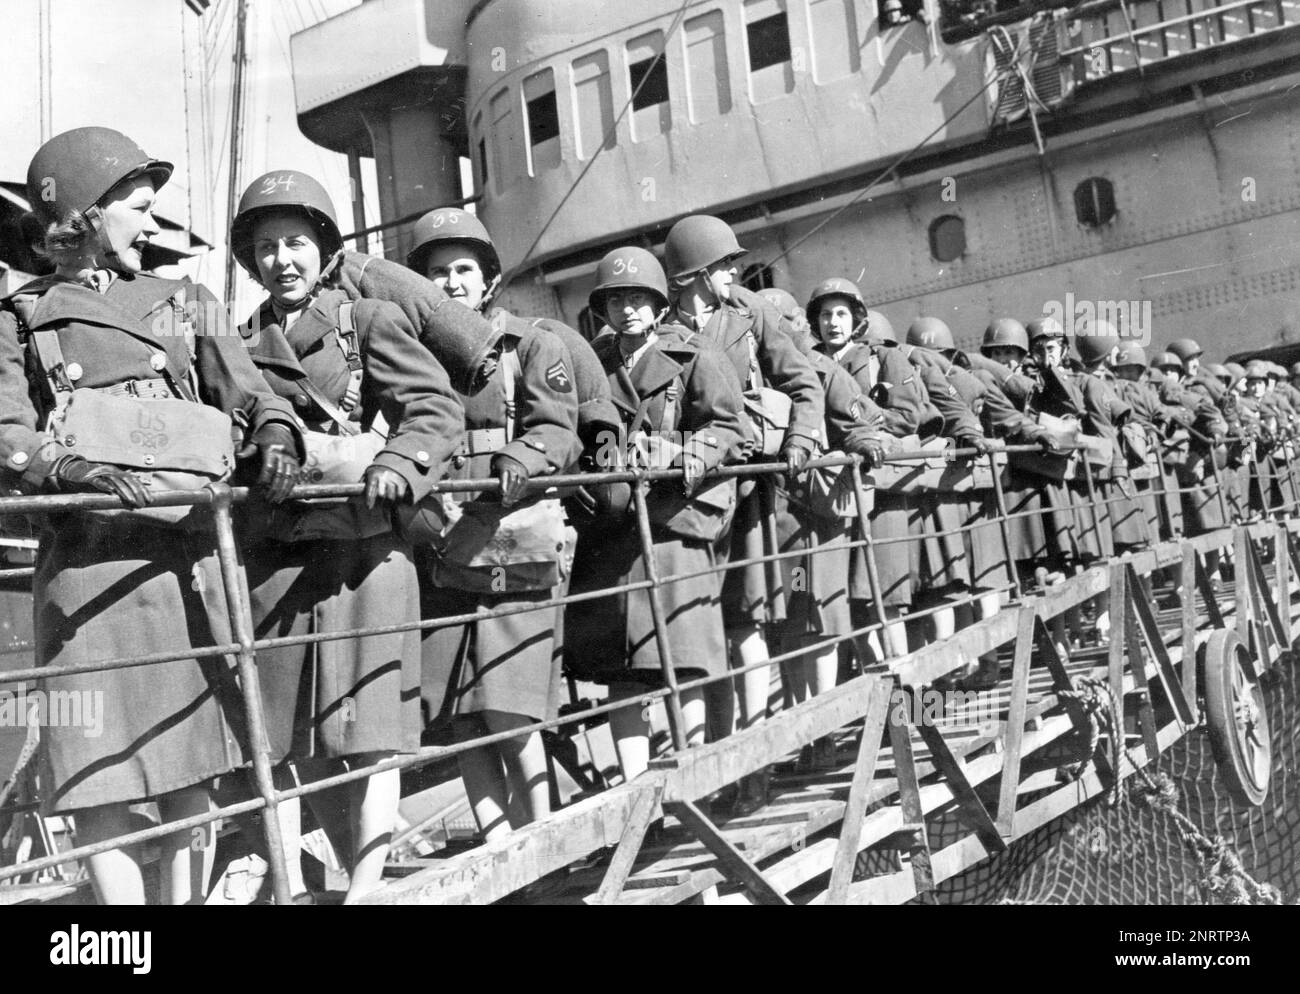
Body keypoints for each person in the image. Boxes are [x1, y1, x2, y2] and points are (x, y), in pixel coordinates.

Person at [0, 128, 303, 904]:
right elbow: (7, 430)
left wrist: (273, 430)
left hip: (186, 559)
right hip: (92, 563)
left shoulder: (174, 304)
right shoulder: (21, 315)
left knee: (190, 757)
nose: (151, 225)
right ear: (82, 213)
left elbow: (244, 388)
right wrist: (63, 466)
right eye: (137, 209)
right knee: (97, 763)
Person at [228, 172, 462, 902]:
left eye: (296, 242)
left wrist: (399, 461)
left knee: (370, 733)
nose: (282, 260)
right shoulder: (237, 343)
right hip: (282, 560)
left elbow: (433, 407)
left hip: (365, 556)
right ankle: (299, 878)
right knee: (291, 736)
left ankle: (364, 888)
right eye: (265, 248)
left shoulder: (365, 322)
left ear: (323, 249)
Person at [406, 209, 581, 841]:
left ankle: (545, 838)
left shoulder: (532, 344)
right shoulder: (414, 353)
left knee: (512, 708)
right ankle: (498, 843)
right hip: (444, 548)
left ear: (488, 280)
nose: (451, 284)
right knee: (462, 715)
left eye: (462, 271)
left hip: (512, 542)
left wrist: (520, 457)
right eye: (435, 274)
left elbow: (558, 432)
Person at [565, 248, 747, 783]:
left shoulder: (695, 356)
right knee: (624, 669)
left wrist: (681, 453)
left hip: (674, 524)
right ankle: (639, 793)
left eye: (638, 299)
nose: (626, 311)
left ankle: (692, 782)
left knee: (682, 662)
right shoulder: (592, 363)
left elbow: (731, 430)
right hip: (614, 529)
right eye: (616, 301)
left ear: (658, 304)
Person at [661, 215, 824, 810]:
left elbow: (802, 381)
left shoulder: (751, 315)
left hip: (748, 492)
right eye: (724, 264)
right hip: (689, 497)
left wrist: (802, 440)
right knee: (702, 632)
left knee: (744, 625)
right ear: (695, 275)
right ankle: (710, 768)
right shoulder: (660, 324)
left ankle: (754, 761)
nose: (735, 272)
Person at [763, 287, 888, 768]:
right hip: (774, 522)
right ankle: (807, 732)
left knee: (819, 622)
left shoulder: (821, 368)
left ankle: (826, 733)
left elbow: (863, 420)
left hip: (816, 518)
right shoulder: (751, 369)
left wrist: (861, 443)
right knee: (790, 624)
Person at [808, 283, 939, 662]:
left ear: (857, 319)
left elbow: (908, 417)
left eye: (841, 314)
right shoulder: (808, 362)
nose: (833, 323)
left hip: (880, 491)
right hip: (834, 492)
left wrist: (863, 425)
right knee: (845, 600)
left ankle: (905, 693)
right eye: (825, 315)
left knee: (886, 598)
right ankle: (878, 694)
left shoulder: (881, 358)